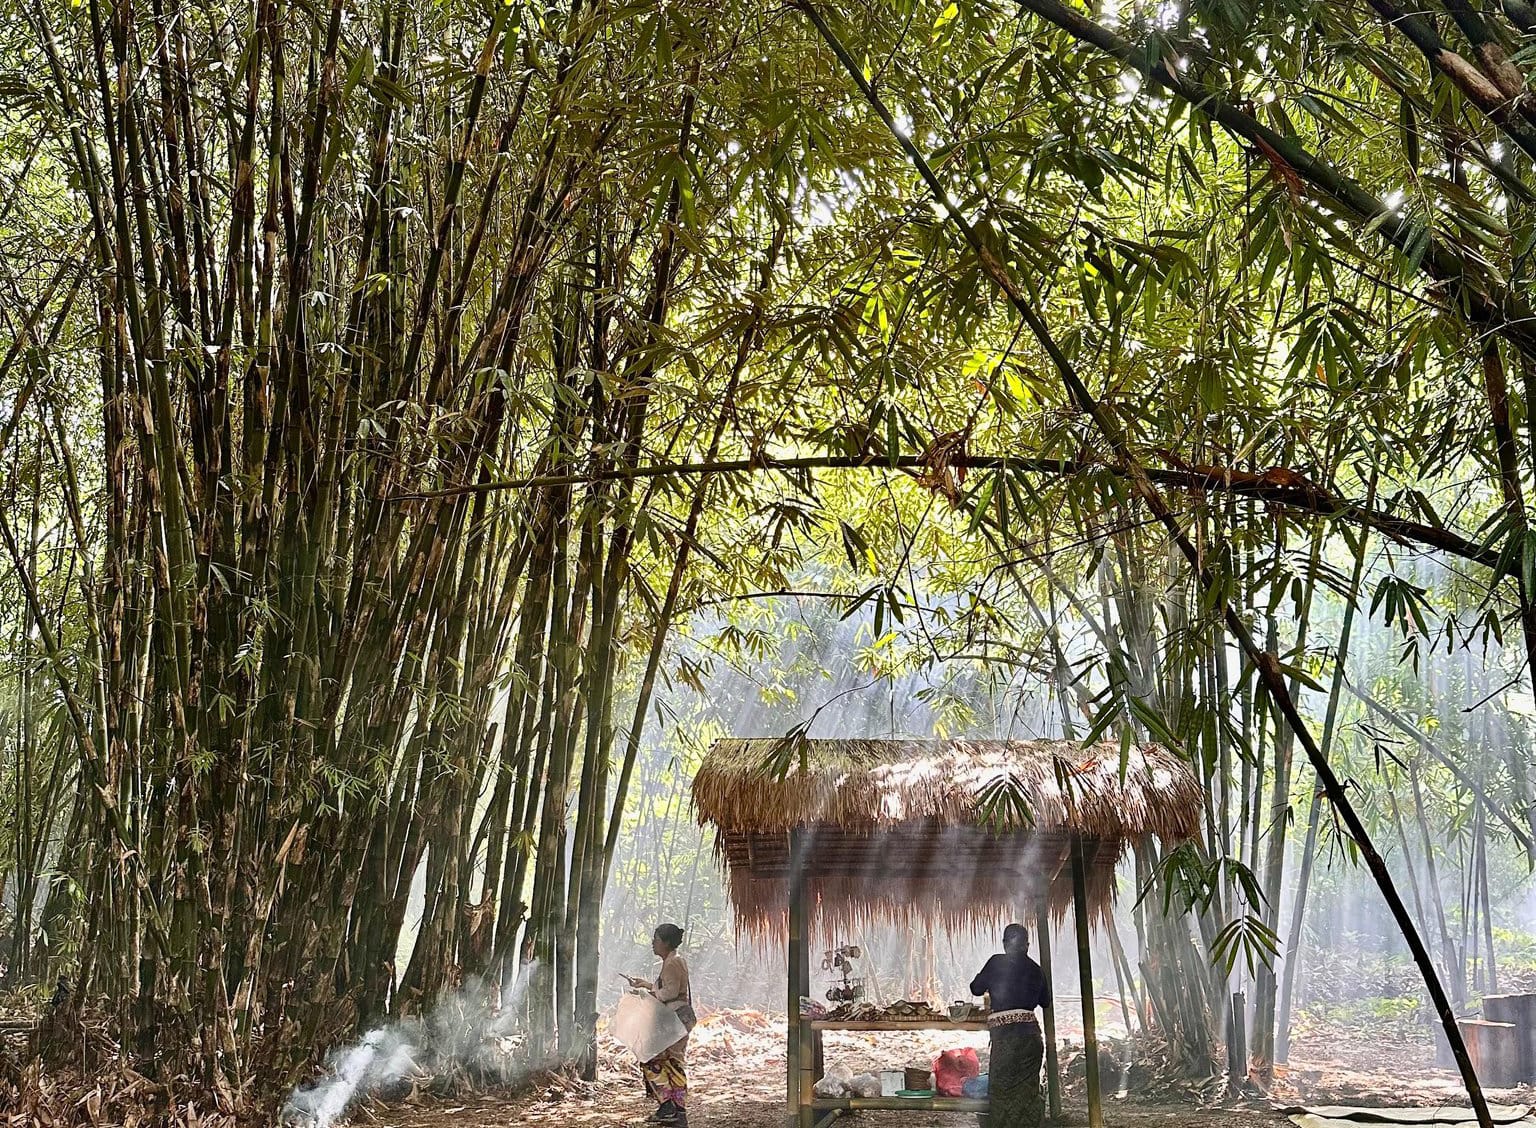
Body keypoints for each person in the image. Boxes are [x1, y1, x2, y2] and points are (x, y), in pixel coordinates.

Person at [970, 922, 1052, 1128]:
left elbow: (976, 988)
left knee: (1001, 1092)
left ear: (1005, 944)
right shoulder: (1036, 969)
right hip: (1031, 1038)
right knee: (1027, 1092)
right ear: (1027, 945)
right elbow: (1046, 1001)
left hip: (1006, 1039)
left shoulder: (996, 962)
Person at [624, 923, 696, 1126]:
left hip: (674, 1019)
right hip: (678, 1017)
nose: (652, 943)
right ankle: (676, 1110)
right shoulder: (673, 961)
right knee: (673, 1061)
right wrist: (646, 985)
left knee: (652, 1059)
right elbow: (670, 988)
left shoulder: (672, 962)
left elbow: (670, 993)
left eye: (655, 939)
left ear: (665, 942)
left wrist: (647, 994)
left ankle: (668, 1105)